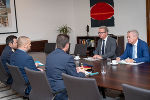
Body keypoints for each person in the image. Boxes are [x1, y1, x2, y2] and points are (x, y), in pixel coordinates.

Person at [46, 34, 85, 100]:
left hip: (48, 87)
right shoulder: (68, 58)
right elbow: (75, 77)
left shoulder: (49, 55)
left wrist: (72, 69)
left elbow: (59, 68)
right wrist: (82, 72)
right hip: (61, 91)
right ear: (67, 45)